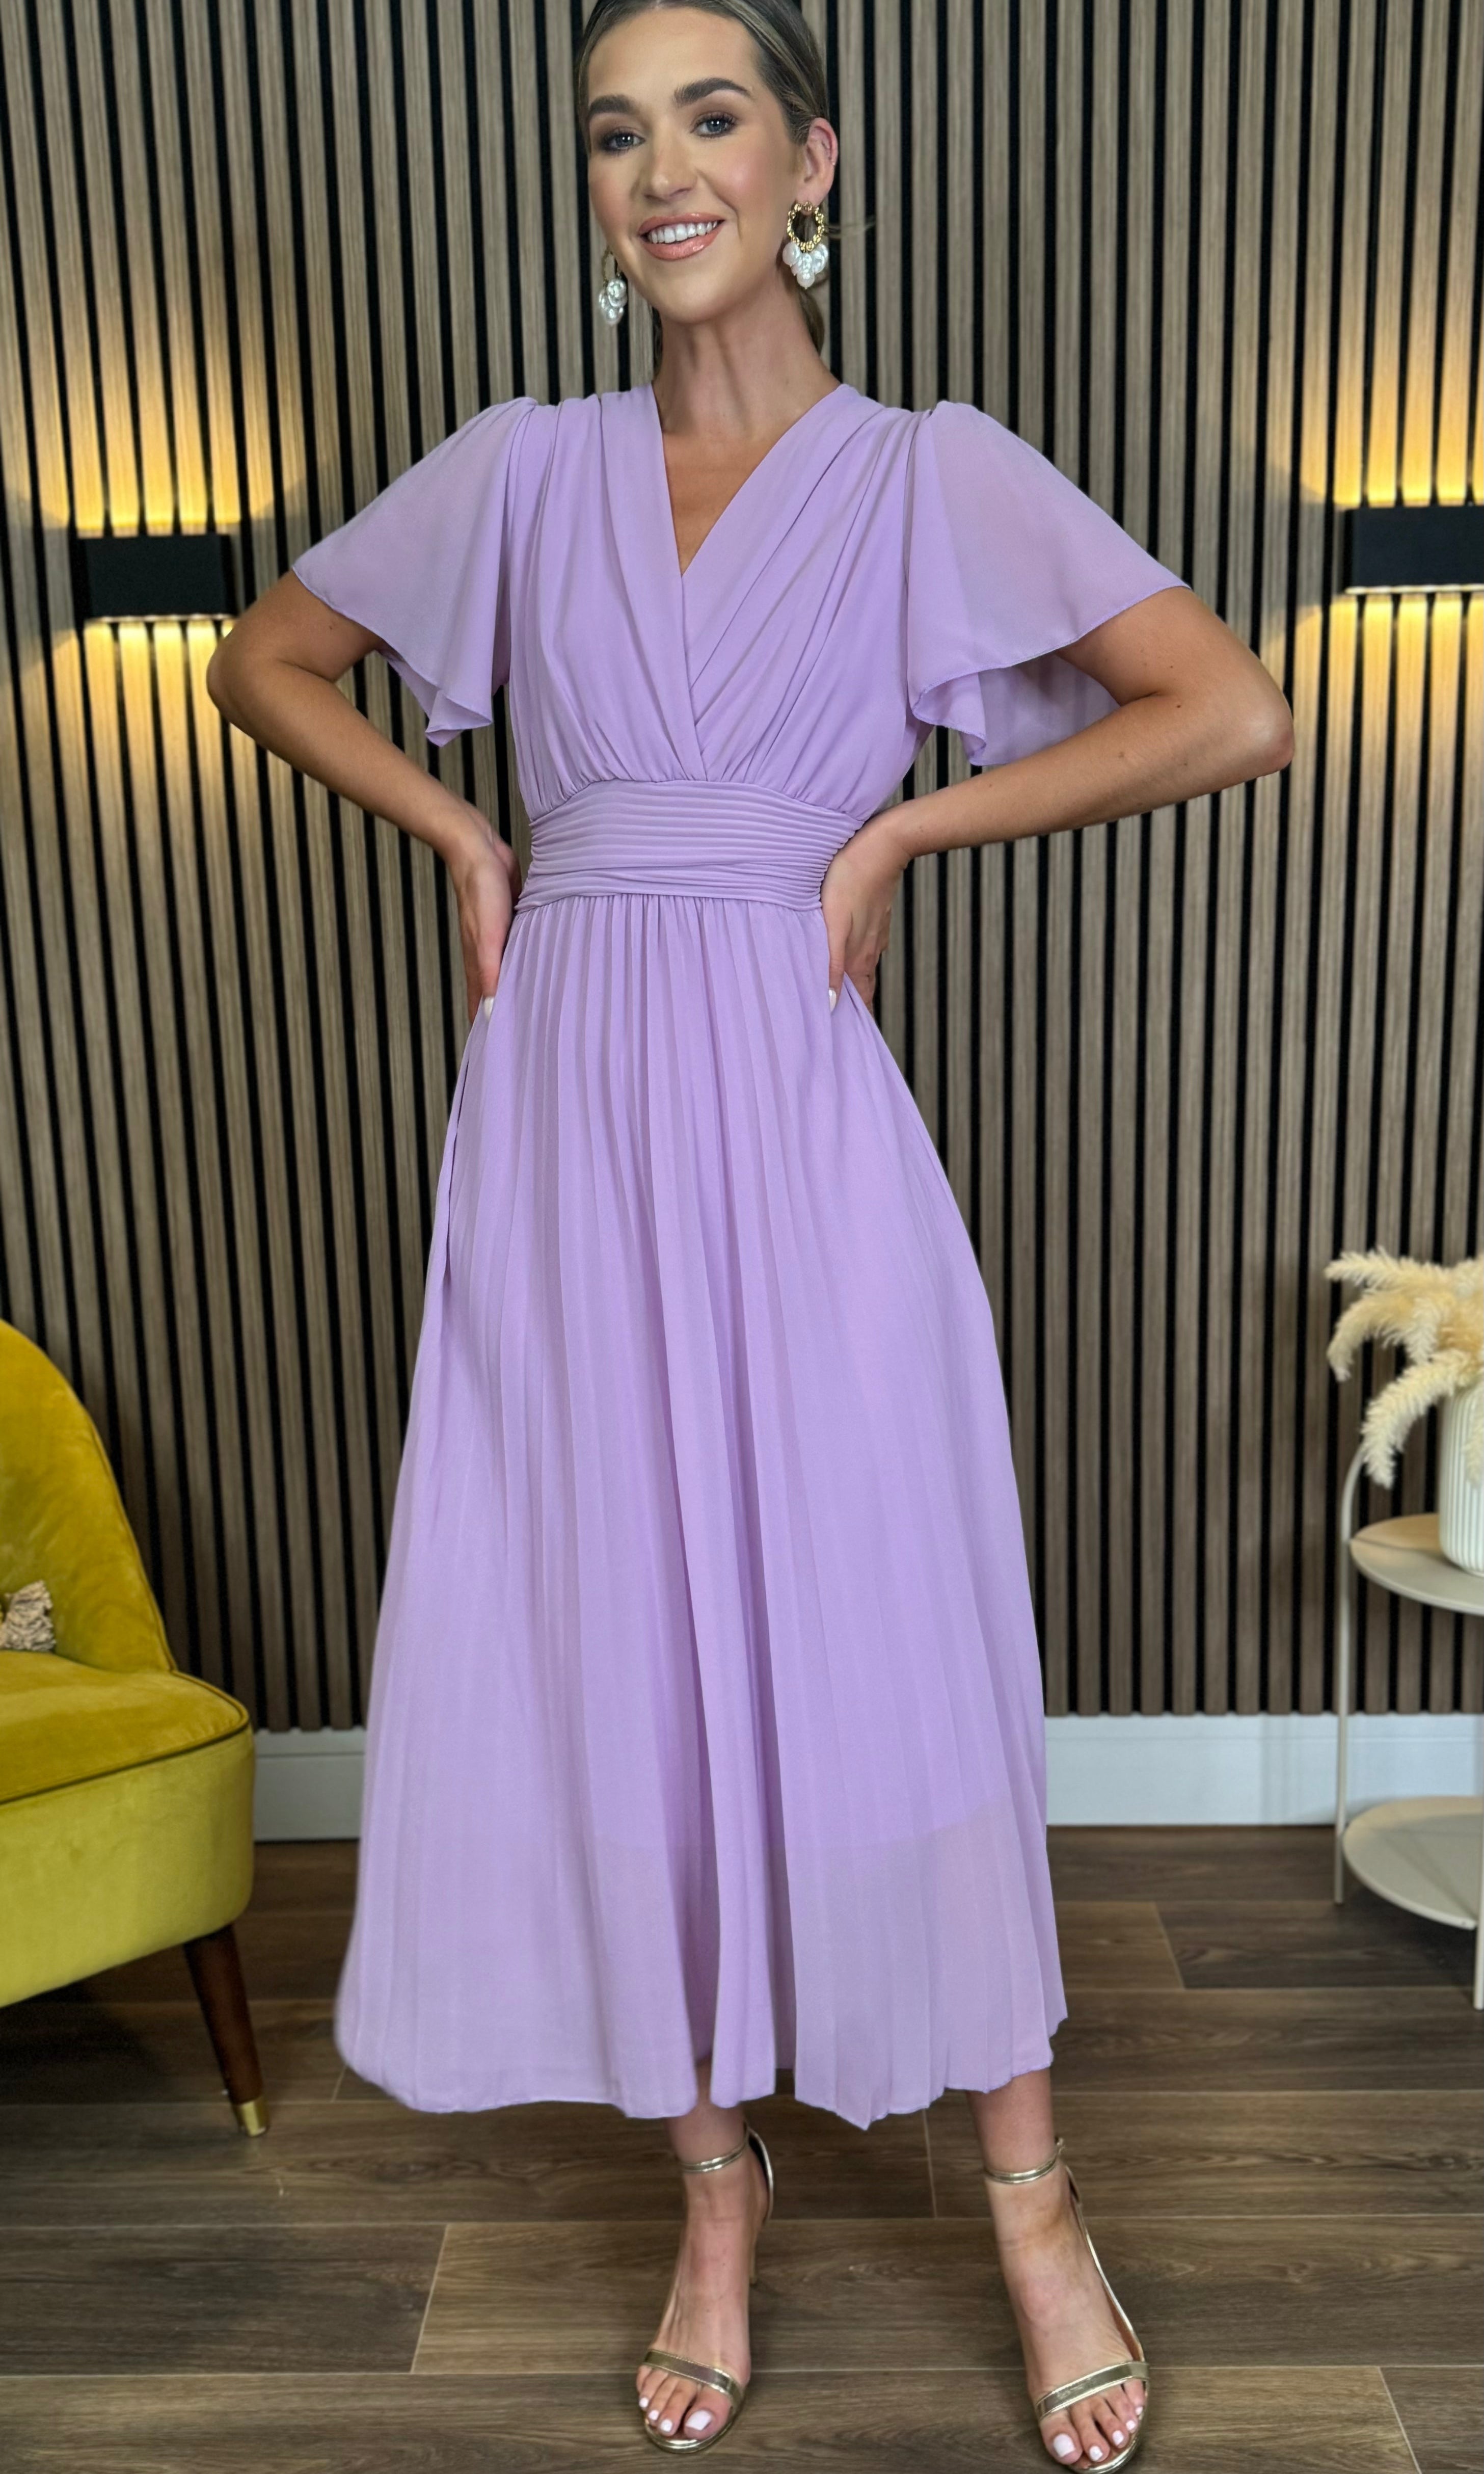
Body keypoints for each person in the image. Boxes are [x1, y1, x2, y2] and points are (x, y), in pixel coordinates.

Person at [207, 2, 1292, 2462]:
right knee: (621, 1653)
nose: (660, 167)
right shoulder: (520, 468)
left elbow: (1228, 708)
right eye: (617, 132)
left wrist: (899, 828)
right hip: (567, 1126)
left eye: (710, 117)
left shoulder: (923, 472)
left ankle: (1032, 2200)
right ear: (595, 192)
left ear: (812, 161)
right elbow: (269, 657)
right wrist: (464, 828)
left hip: (798, 1128)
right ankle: (716, 2186)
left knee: (885, 1631)